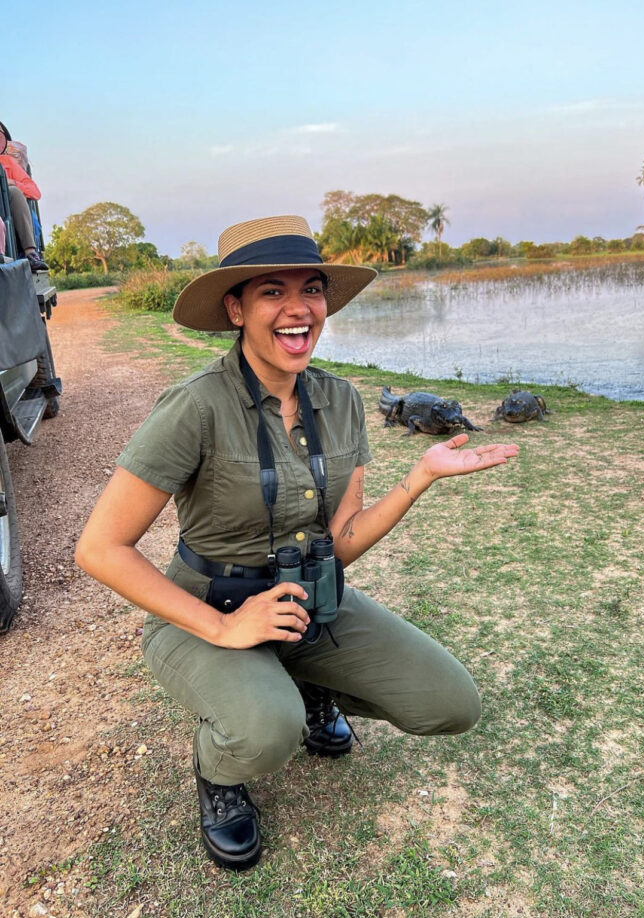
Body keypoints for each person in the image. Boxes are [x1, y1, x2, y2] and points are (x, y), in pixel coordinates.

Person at [75, 215, 519, 871]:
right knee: (266, 730)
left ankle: (307, 681)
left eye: (311, 289)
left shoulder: (341, 401)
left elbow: (338, 543)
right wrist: (224, 630)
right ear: (236, 308)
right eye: (271, 292)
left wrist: (419, 479)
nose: (298, 309)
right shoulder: (194, 406)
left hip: (311, 604)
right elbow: (100, 548)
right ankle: (220, 772)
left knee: (451, 704)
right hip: (208, 611)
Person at [0, 121, 47, 272]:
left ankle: (30, 253)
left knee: (13, 192)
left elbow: (34, 192)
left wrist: (10, 183)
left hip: (6, 208)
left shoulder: (7, 162)